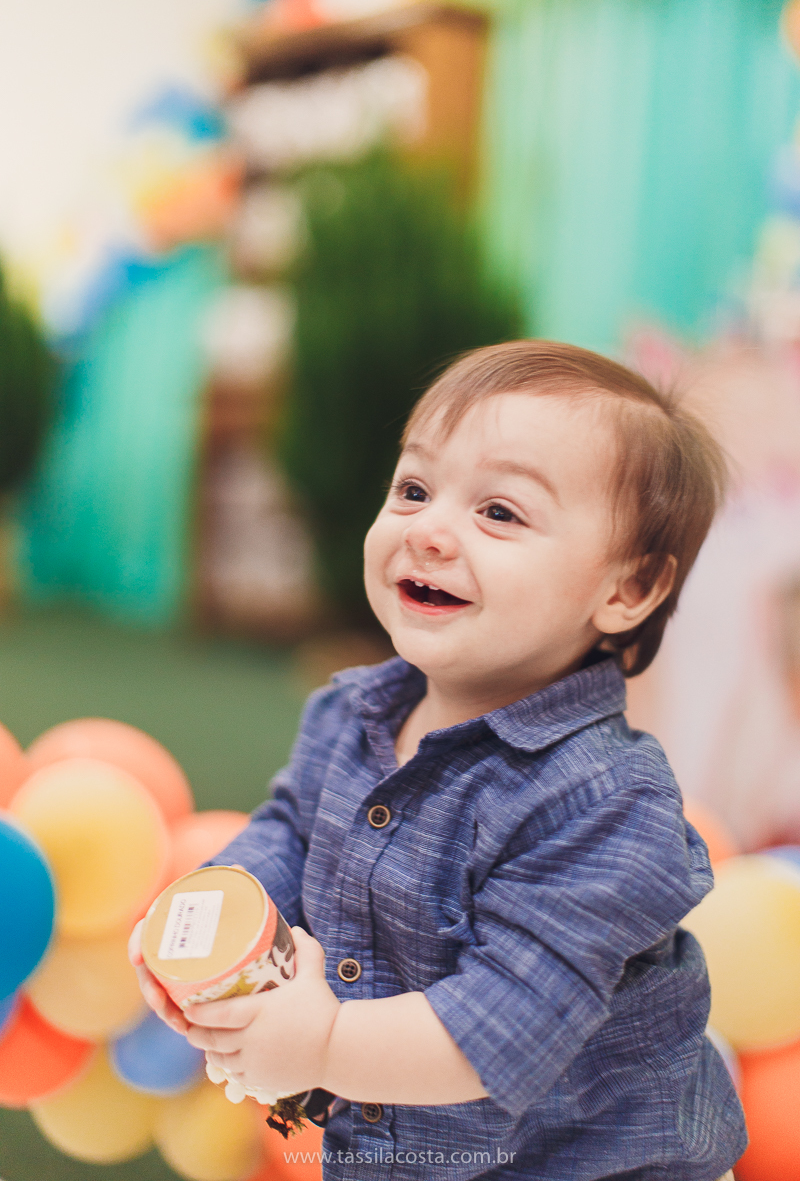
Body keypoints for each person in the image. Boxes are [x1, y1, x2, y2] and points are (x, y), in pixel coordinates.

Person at [131, 341, 747, 1179]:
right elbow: (291, 836)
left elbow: (501, 1026)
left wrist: (324, 1043)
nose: (427, 530)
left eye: (500, 512)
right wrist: (204, 923)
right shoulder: (351, 713)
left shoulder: (607, 806)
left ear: (628, 589)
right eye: (414, 489)